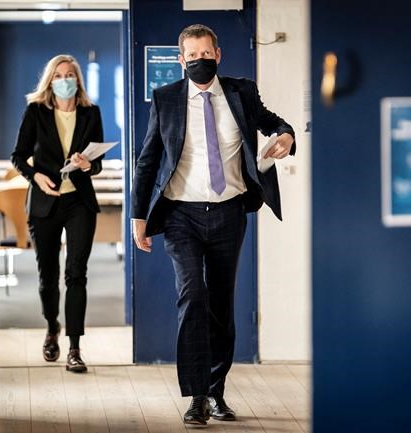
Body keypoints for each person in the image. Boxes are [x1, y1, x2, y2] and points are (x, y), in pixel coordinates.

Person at [130, 24, 296, 426]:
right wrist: (138, 216)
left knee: (221, 304)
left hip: (228, 212)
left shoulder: (241, 92)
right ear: (180, 60)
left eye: (206, 54)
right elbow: (148, 160)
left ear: (218, 55)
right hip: (180, 215)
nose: (199, 61)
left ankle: (216, 390)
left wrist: (287, 135)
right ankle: (197, 397)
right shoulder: (166, 98)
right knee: (192, 296)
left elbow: (273, 122)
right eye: (192, 56)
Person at [11, 54, 104, 373]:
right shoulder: (36, 111)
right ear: (50, 81)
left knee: (76, 274)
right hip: (44, 203)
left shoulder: (91, 112)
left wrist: (88, 164)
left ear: (78, 79)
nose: (65, 80)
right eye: (59, 75)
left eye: (70, 75)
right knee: (48, 276)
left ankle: (75, 348)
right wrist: (34, 176)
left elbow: (97, 163)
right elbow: (18, 156)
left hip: (79, 202)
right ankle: (52, 327)